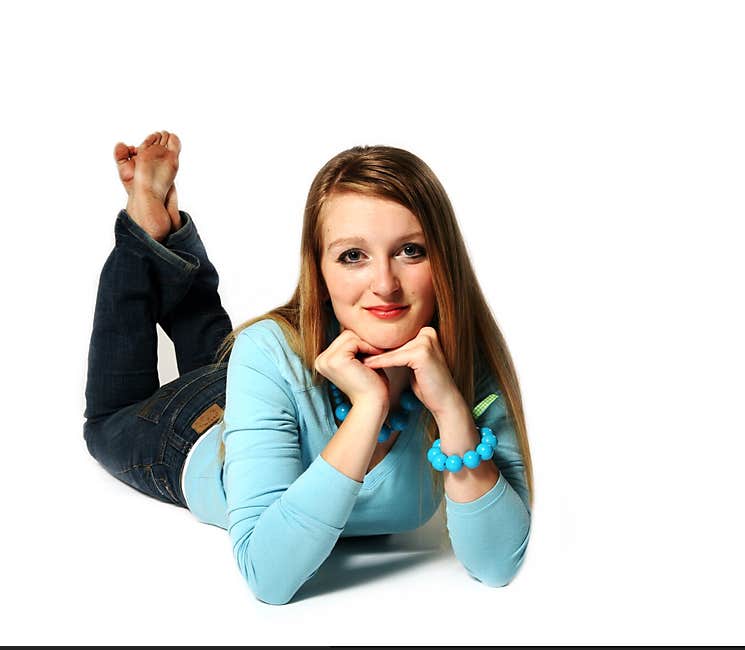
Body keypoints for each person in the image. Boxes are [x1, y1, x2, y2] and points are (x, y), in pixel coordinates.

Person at [84, 131, 533, 605]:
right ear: (319, 272)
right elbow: (269, 577)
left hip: (263, 389)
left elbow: (497, 563)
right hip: (191, 434)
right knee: (110, 419)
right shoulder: (268, 351)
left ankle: (170, 238)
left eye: (411, 250)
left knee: (231, 355)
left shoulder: (464, 360)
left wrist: (451, 411)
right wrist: (369, 406)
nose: (385, 283)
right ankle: (144, 232)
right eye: (353, 255)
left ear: (445, 261)